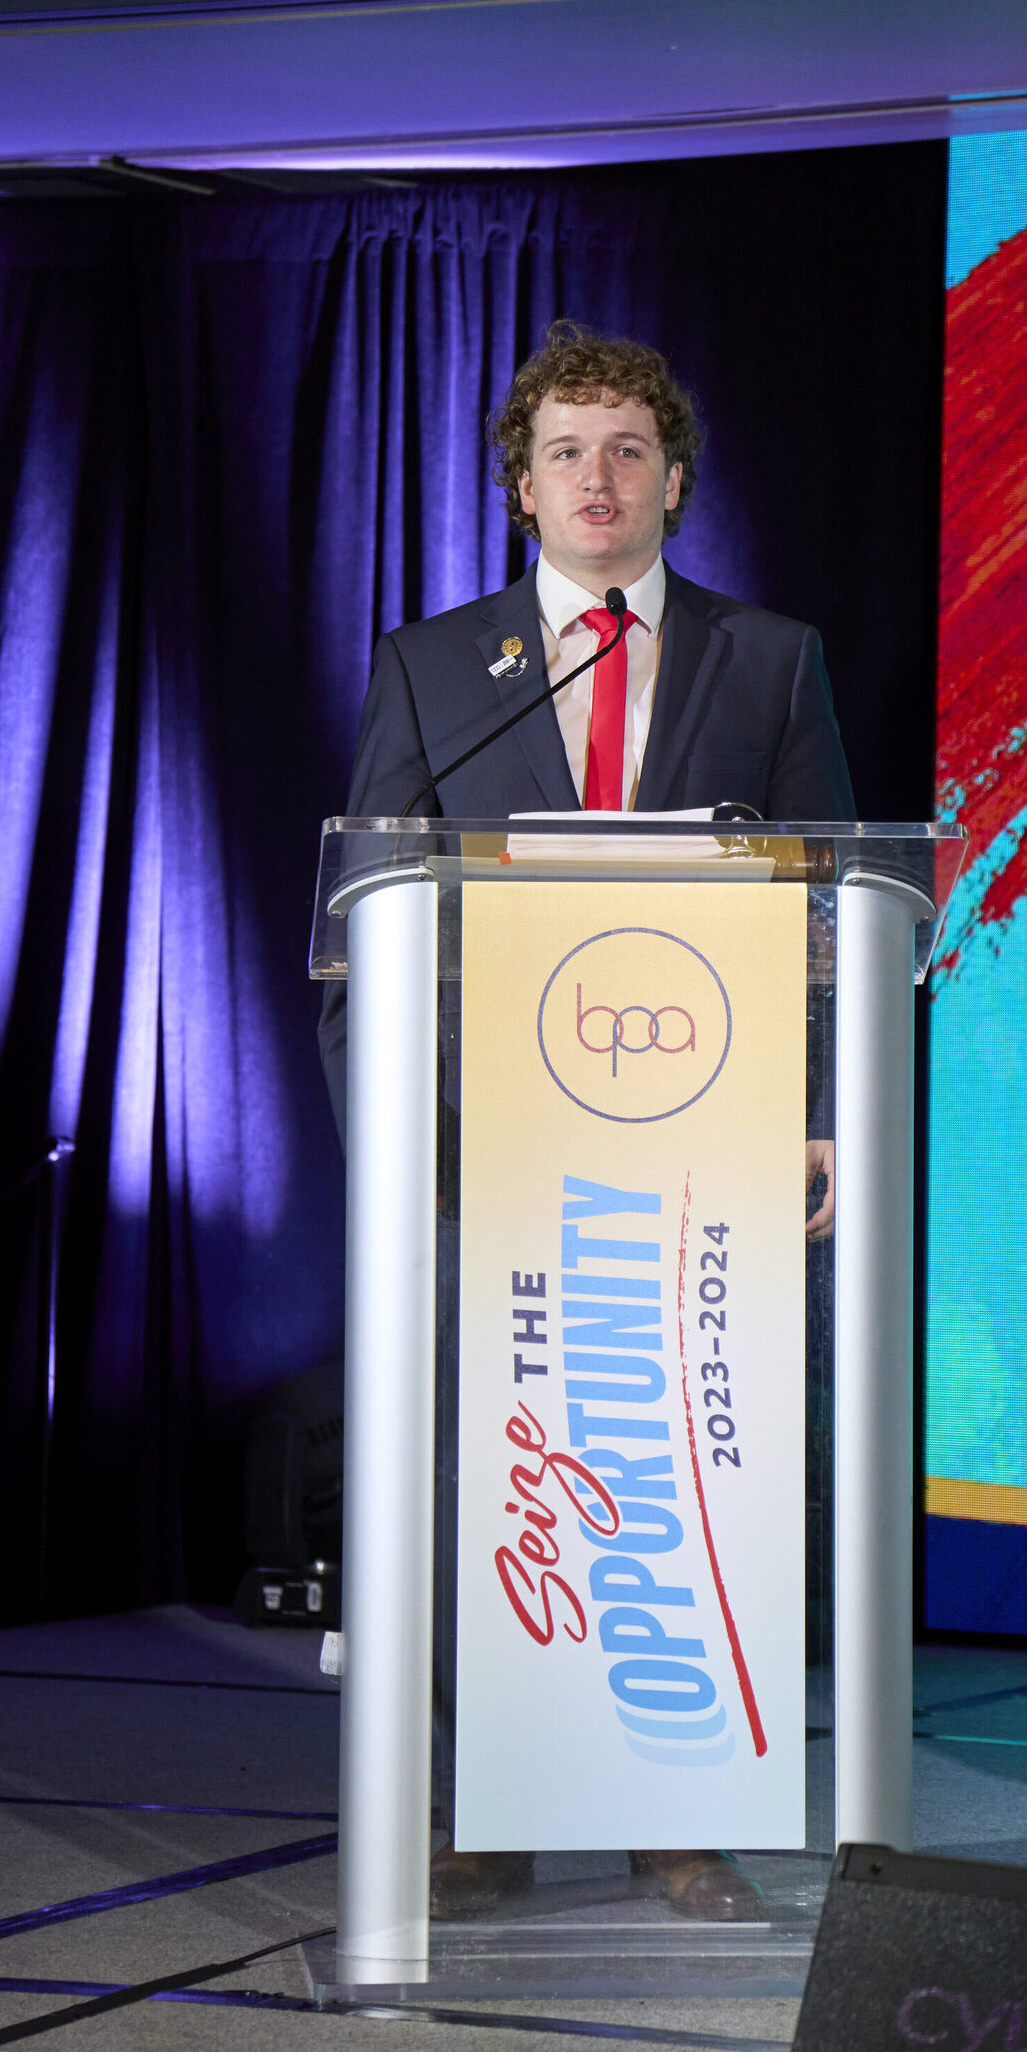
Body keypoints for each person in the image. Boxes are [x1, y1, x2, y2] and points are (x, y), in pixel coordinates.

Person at [321, 321, 856, 1922]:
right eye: (566, 452)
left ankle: (675, 1818)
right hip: (484, 1149)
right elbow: (363, 920)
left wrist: (824, 1113)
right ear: (522, 487)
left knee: (683, 1464)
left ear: (675, 481)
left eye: (629, 450)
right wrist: (393, 1138)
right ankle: (484, 1807)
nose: (597, 478)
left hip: (704, 1144)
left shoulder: (772, 659)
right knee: (488, 1481)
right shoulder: (434, 668)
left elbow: (833, 909)